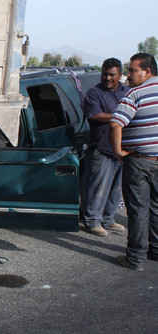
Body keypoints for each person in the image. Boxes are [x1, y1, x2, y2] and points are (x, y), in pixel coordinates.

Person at [109, 52, 158, 271]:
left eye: (132, 70)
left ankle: (135, 258)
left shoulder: (135, 94)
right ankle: (155, 251)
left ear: (147, 71)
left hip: (139, 161)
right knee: (156, 208)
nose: (128, 75)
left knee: (138, 211)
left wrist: (118, 152)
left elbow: (115, 124)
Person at [80, 58, 128, 236]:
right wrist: (122, 115)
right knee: (98, 187)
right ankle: (92, 221)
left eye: (112, 75)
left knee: (116, 189)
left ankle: (108, 219)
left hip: (122, 148)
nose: (107, 78)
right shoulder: (94, 93)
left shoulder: (127, 91)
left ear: (120, 76)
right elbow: (95, 116)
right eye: (105, 74)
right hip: (102, 147)